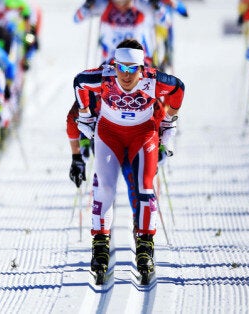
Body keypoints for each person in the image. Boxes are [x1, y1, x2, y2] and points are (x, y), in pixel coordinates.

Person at [73, 39, 184, 279]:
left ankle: (145, 246)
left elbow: (178, 88)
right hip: (109, 133)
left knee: (145, 186)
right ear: (114, 65)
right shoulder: (104, 78)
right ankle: (100, 246)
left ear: (142, 68)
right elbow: (79, 81)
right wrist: (84, 114)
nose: (125, 75)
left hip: (142, 134)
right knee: (105, 188)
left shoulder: (153, 81)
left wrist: (169, 121)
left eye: (132, 68)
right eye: (121, 67)